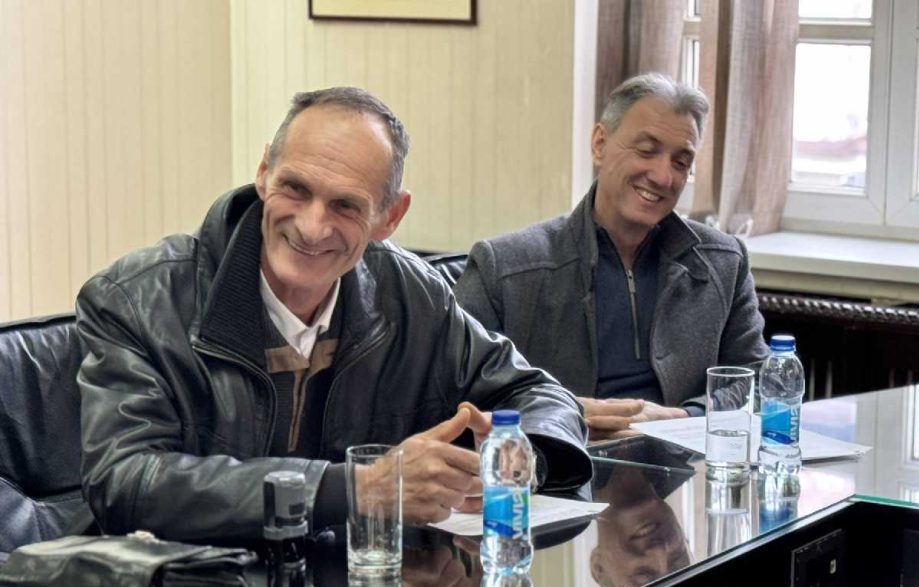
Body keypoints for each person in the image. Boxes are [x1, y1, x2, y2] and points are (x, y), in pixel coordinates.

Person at [76, 87, 590, 543]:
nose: (312, 227)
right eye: (296, 189)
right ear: (263, 173)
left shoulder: (412, 295)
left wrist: (514, 462)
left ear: (390, 217)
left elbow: (539, 394)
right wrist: (357, 489)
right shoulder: (135, 299)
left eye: (345, 206)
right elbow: (125, 483)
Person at [454, 73, 769, 441]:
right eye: (646, 150)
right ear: (600, 144)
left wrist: (683, 417)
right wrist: (557, 412)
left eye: (681, 163)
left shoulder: (723, 262)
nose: (663, 176)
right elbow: (449, 394)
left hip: (686, 467)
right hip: (559, 465)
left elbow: (761, 382)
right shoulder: (505, 268)